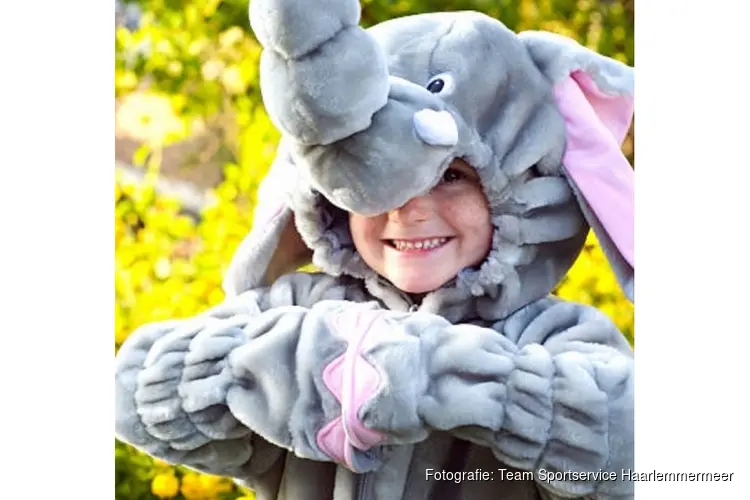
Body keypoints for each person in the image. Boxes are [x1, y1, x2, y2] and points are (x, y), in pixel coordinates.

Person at [115, 2, 635, 500]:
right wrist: (299, 364)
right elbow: (135, 397)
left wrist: (433, 376)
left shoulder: (554, 335)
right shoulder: (296, 306)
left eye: (452, 176)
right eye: (375, 184)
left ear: (521, 190)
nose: (408, 211)